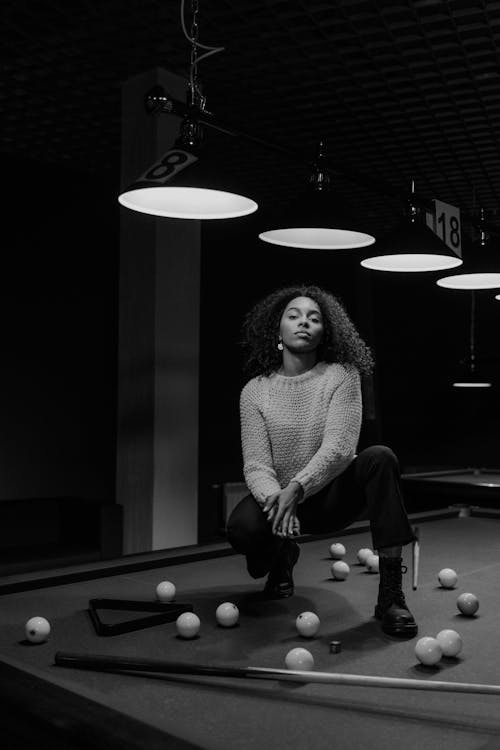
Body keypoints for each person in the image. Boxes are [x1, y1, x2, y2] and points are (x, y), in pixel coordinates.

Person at [226, 284, 418, 638]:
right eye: (294, 316)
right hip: (280, 504)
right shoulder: (254, 390)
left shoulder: (341, 375)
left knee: (380, 457)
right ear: (277, 330)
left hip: (329, 496)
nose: (304, 323)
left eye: (314, 318)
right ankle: (282, 556)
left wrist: (297, 489)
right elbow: (256, 464)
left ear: (324, 332)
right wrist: (278, 501)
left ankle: (391, 595)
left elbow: (341, 447)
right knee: (240, 530)